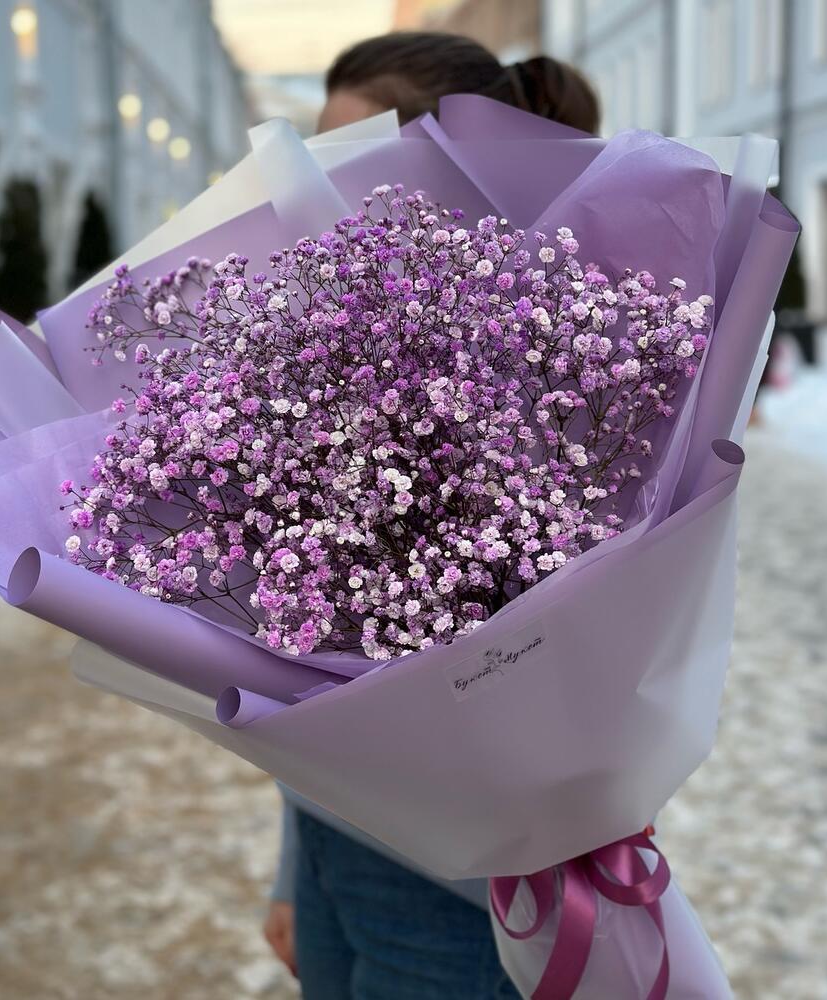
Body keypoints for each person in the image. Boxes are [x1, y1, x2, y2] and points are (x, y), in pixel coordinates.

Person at [262, 31, 600, 1000]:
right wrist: (293, 864)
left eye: (344, 160)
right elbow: (303, 646)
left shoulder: (559, 363)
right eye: (310, 156)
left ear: (446, 168)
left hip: (462, 885)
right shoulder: (330, 354)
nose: (315, 192)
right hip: (334, 834)